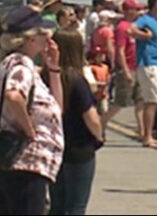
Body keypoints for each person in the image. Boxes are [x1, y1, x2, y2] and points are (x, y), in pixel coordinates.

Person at [0, 6, 64, 216]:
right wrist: (30, 131)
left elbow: (57, 107)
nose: (47, 39)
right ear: (29, 39)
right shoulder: (21, 65)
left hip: (4, 163)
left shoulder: (8, 64)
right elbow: (14, 96)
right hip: (23, 165)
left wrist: (53, 67)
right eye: (42, 34)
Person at [50, 29, 104, 215]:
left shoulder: (46, 76)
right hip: (79, 147)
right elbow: (90, 117)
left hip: (54, 146)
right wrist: (98, 136)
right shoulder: (76, 80)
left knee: (57, 204)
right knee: (76, 205)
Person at [133, 0, 157, 149]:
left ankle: (149, 134)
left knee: (155, 101)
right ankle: (148, 137)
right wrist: (144, 35)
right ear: (156, 4)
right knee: (152, 101)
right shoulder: (146, 19)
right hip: (149, 64)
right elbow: (131, 29)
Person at [107, 0, 144, 134]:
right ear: (129, 11)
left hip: (138, 67)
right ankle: (101, 122)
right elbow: (120, 50)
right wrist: (125, 70)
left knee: (140, 101)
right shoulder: (122, 28)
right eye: (136, 10)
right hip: (128, 68)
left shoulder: (135, 26)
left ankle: (142, 130)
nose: (138, 12)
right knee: (121, 101)